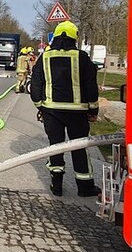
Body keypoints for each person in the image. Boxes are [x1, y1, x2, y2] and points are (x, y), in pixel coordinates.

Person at [30, 20, 101, 197]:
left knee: (55, 147)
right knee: (79, 147)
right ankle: (85, 187)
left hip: (52, 111)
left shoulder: (45, 57)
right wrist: (93, 110)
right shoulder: (82, 57)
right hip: (78, 113)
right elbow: (91, 86)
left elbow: (36, 84)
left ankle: (57, 185)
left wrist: (40, 106)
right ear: (73, 38)